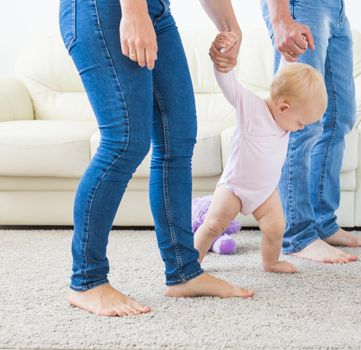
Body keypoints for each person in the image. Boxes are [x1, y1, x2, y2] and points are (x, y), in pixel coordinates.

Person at [58, 0, 253, 317]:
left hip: (157, 10)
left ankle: (184, 272)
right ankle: (87, 281)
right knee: (125, 141)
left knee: (178, 138)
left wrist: (231, 28)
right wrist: (133, 12)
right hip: (102, 8)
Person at [249, 0, 361, 263]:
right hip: (299, 6)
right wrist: (281, 18)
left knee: (338, 117)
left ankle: (322, 223)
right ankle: (297, 235)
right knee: (300, 120)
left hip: (336, 8)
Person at [195, 32, 329, 271]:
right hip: (234, 187)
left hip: (265, 191)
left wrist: (289, 57)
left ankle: (271, 261)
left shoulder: (284, 115)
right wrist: (223, 63)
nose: (301, 129)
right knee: (213, 225)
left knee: (276, 227)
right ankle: (191, 263)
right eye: (301, 123)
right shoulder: (252, 108)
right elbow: (230, 86)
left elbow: (285, 80)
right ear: (283, 107)